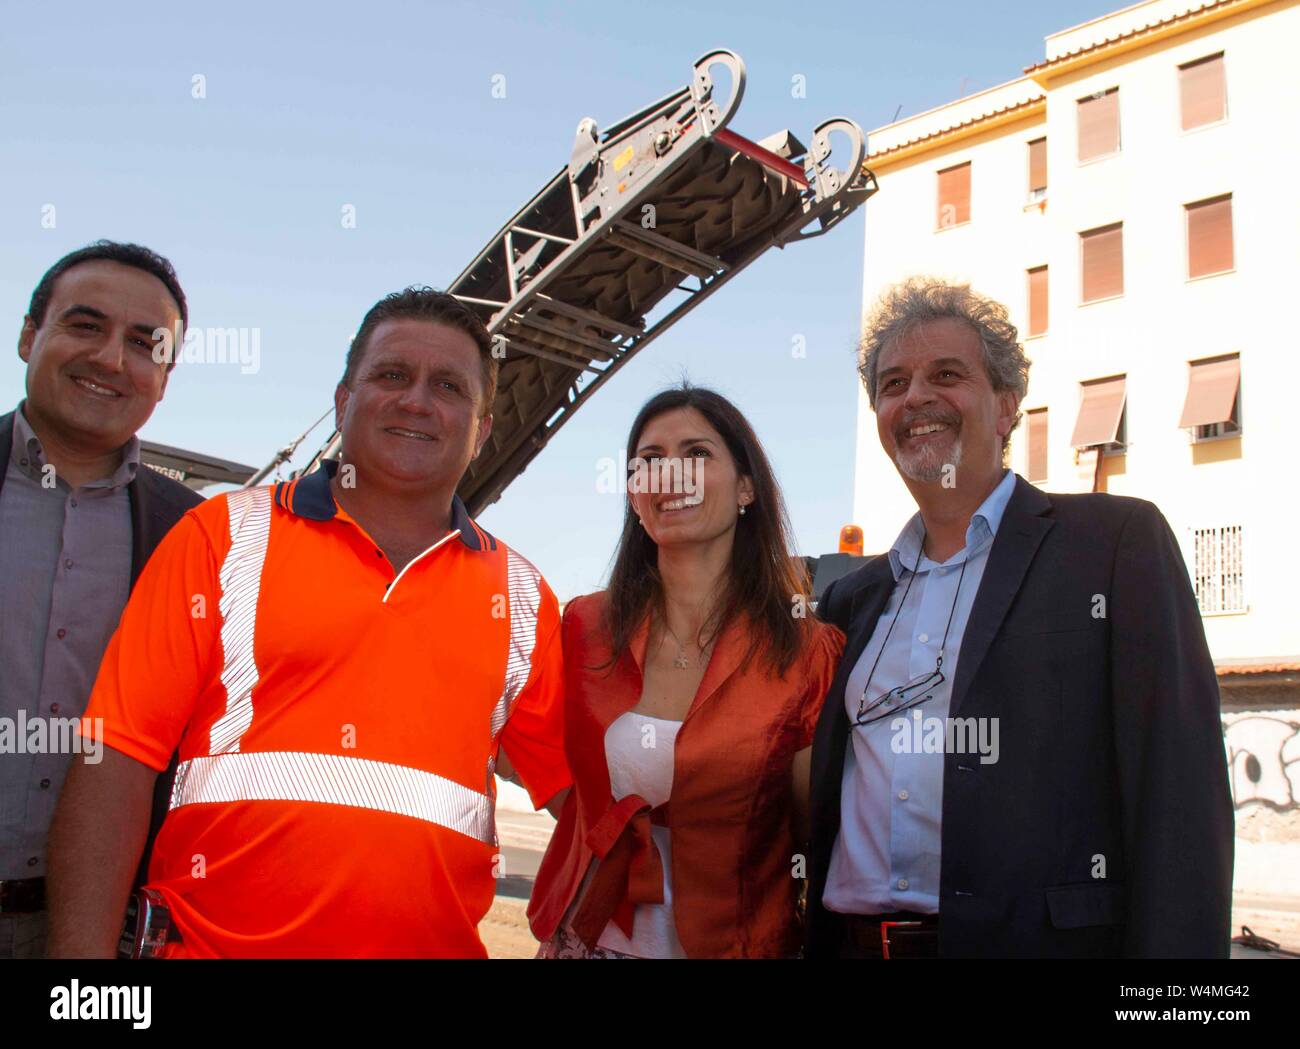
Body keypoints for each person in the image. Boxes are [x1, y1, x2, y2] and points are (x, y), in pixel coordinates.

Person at [46, 287, 571, 958]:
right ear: (343, 401)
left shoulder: (523, 596)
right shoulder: (222, 537)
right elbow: (114, 762)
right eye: (391, 375)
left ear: (483, 428)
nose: (417, 400)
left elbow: (584, 800)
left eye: (448, 386)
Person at [807, 277, 1234, 958]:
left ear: (1006, 406)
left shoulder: (1115, 543)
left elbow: (1178, 800)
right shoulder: (849, 600)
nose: (915, 396)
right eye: (893, 384)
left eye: (946, 374)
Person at [528, 385, 844, 958]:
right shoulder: (583, 626)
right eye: (649, 462)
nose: (670, 475)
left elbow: (806, 829)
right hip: (587, 941)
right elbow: (533, 750)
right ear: (633, 493)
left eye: (696, 453)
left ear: (746, 486)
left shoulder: (807, 653)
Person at [0, 241, 201, 959]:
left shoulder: (198, 535)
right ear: (29, 335)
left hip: (101, 934)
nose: (113, 358)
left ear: (165, 377)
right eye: (85, 326)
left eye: (146, 343)